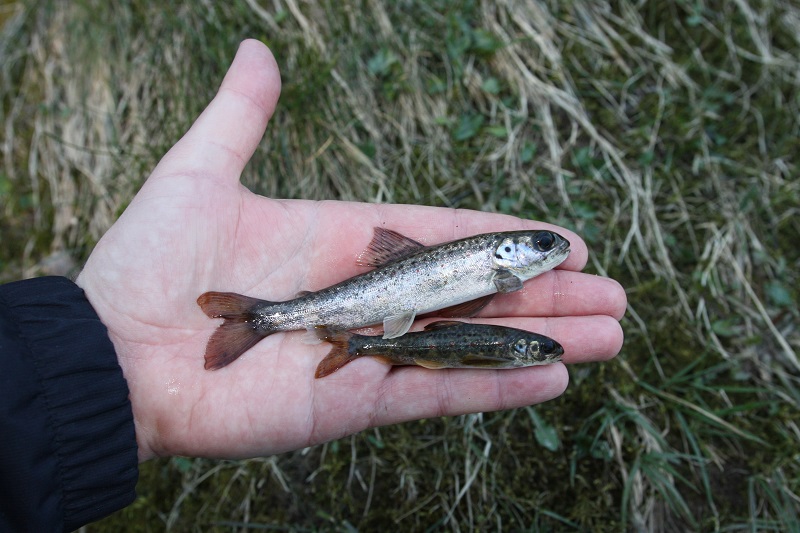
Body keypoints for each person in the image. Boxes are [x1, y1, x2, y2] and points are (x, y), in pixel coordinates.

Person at [0, 40, 627, 531]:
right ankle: (264, 319)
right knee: (297, 316)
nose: (552, 251)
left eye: (547, 247)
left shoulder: (501, 266)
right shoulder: (495, 264)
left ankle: (266, 319)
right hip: (372, 298)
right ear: (513, 253)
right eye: (542, 246)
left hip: (387, 299)